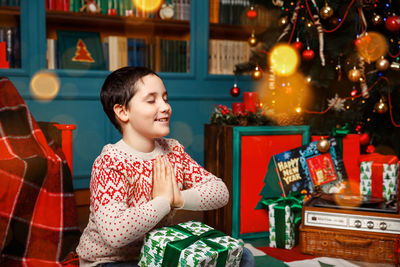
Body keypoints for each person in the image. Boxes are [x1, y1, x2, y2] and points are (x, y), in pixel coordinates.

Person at [76, 66, 255, 267]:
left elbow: (220, 192)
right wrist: (162, 202)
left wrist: (177, 198)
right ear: (123, 111)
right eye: (152, 100)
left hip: (157, 250)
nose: (165, 107)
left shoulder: (173, 151)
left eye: (165, 98)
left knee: (243, 256)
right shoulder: (111, 163)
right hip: (110, 260)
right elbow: (114, 234)